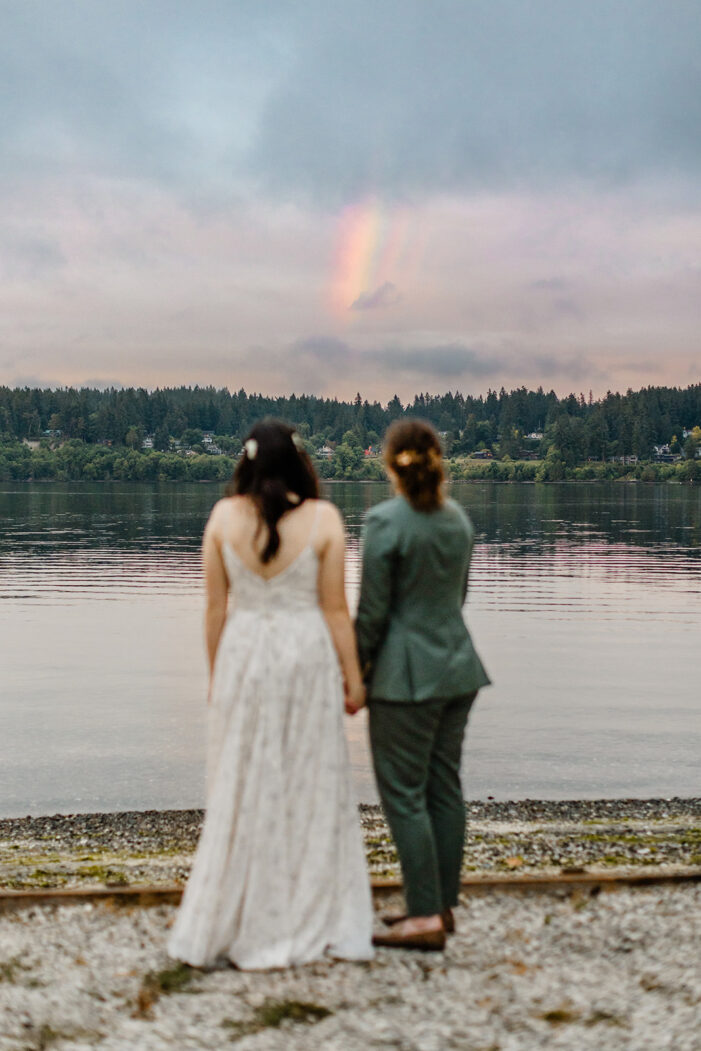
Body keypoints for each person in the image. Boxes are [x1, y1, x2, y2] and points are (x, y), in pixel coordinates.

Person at [168, 419, 373, 970]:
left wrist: (217, 675)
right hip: (305, 658)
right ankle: (308, 908)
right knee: (311, 779)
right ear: (302, 464)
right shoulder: (326, 518)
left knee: (243, 777)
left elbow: (216, 609)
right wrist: (354, 679)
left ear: (246, 463)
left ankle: (238, 911)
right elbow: (335, 610)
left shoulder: (221, 518)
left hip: (245, 658)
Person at [355, 419, 490, 951]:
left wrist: (356, 673)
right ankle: (442, 905)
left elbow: (371, 614)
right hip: (459, 669)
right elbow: (459, 596)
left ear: (390, 464)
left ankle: (424, 916)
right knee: (443, 785)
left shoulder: (385, 521)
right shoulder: (458, 520)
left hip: (405, 680)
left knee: (404, 794)